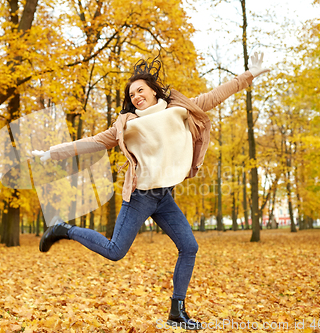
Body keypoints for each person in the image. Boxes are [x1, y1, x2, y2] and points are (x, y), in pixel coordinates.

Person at [32, 53, 269, 330]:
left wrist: (249, 74)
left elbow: (216, 95)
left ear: (153, 90)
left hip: (164, 197)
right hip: (141, 197)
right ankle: (63, 229)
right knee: (114, 251)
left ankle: (177, 313)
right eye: (131, 94)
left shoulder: (180, 110)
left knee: (189, 247)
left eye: (140, 90)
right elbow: (94, 142)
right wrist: (51, 153)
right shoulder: (128, 125)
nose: (135, 96)